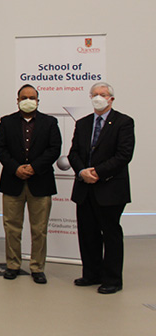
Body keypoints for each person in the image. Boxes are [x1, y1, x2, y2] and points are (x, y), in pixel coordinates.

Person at [68, 82, 134, 294]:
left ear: (111, 99)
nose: (98, 97)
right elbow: (74, 153)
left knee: (111, 234)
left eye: (103, 94)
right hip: (84, 187)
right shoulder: (83, 123)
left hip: (110, 189)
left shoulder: (124, 122)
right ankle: (91, 274)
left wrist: (96, 172)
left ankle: (113, 279)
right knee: (88, 233)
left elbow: (124, 155)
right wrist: (82, 172)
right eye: (95, 94)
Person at [0, 84, 61, 284]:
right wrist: (16, 168)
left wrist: (34, 167)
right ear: (17, 100)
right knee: (12, 227)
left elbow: (54, 149)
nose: (28, 100)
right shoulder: (6, 122)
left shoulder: (50, 123)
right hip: (12, 181)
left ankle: (37, 267)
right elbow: (0, 148)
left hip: (40, 182)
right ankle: (13, 265)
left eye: (32, 97)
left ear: (38, 100)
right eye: (24, 97)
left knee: (39, 229)